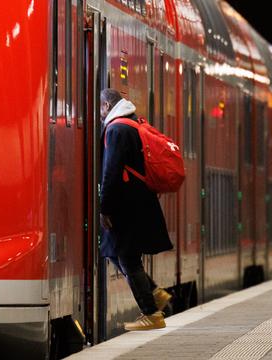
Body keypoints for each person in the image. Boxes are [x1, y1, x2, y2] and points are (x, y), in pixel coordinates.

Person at [99, 88, 173, 331]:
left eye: (101, 109)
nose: (100, 115)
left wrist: (105, 208)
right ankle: (154, 294)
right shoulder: (130, 124)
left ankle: (151, 313)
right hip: (137, 201)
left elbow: (111, 171)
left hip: (125, 205)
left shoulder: (116, 129)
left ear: (107, 106)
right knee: (113, 252)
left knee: (127, 258)